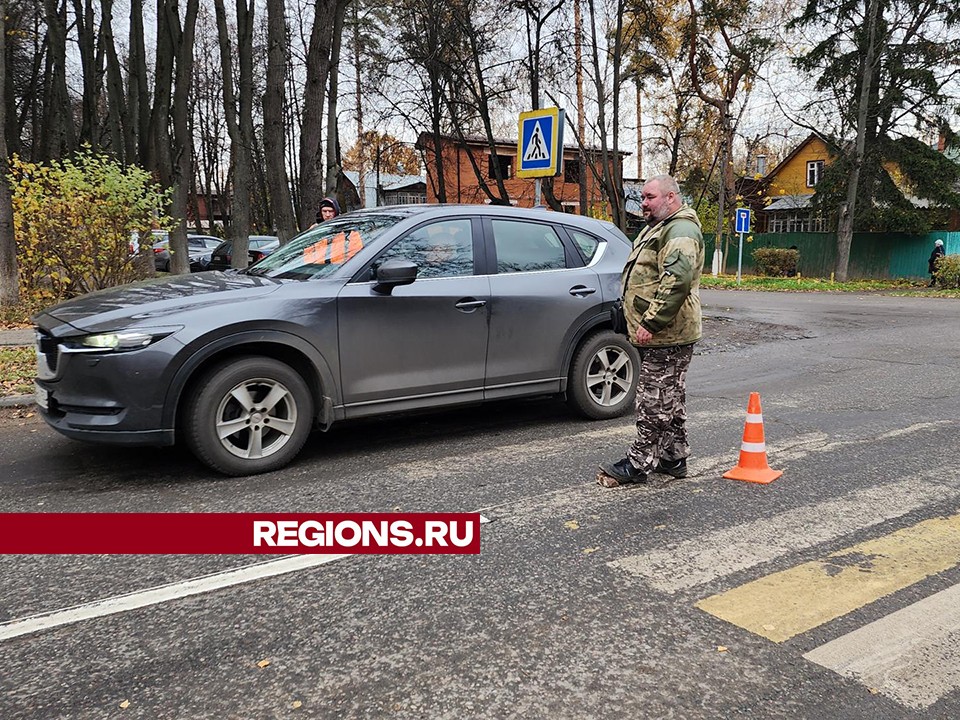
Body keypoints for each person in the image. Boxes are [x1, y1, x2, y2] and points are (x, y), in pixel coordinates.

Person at [598, 174, 704, 487]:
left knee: (654, 400)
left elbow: (677, 281)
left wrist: (650, 322)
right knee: (670, 396)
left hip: (666, 333)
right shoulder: (660, 227)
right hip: (664, 332)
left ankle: (638, 463)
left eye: (650, 197)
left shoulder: (680, 229)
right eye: (642, 197)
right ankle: (673, 457)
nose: (644, 203)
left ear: (671, 197)